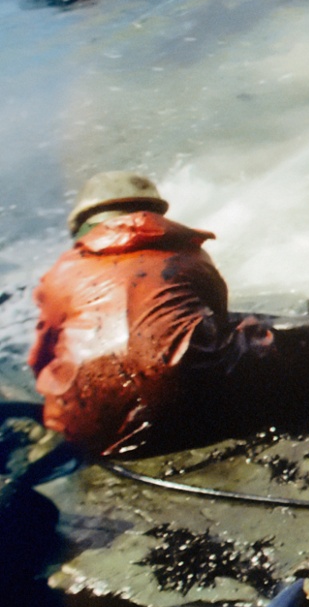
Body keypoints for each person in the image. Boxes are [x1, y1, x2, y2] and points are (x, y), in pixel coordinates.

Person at [27, 173, 277, 457]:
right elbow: (219, 316)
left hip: (85, 432)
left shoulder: (60, 274)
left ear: (85, 224)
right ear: (155, 213)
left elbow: (41, 357)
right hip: (188, 410)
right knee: (253, 334)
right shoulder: (190, 254)